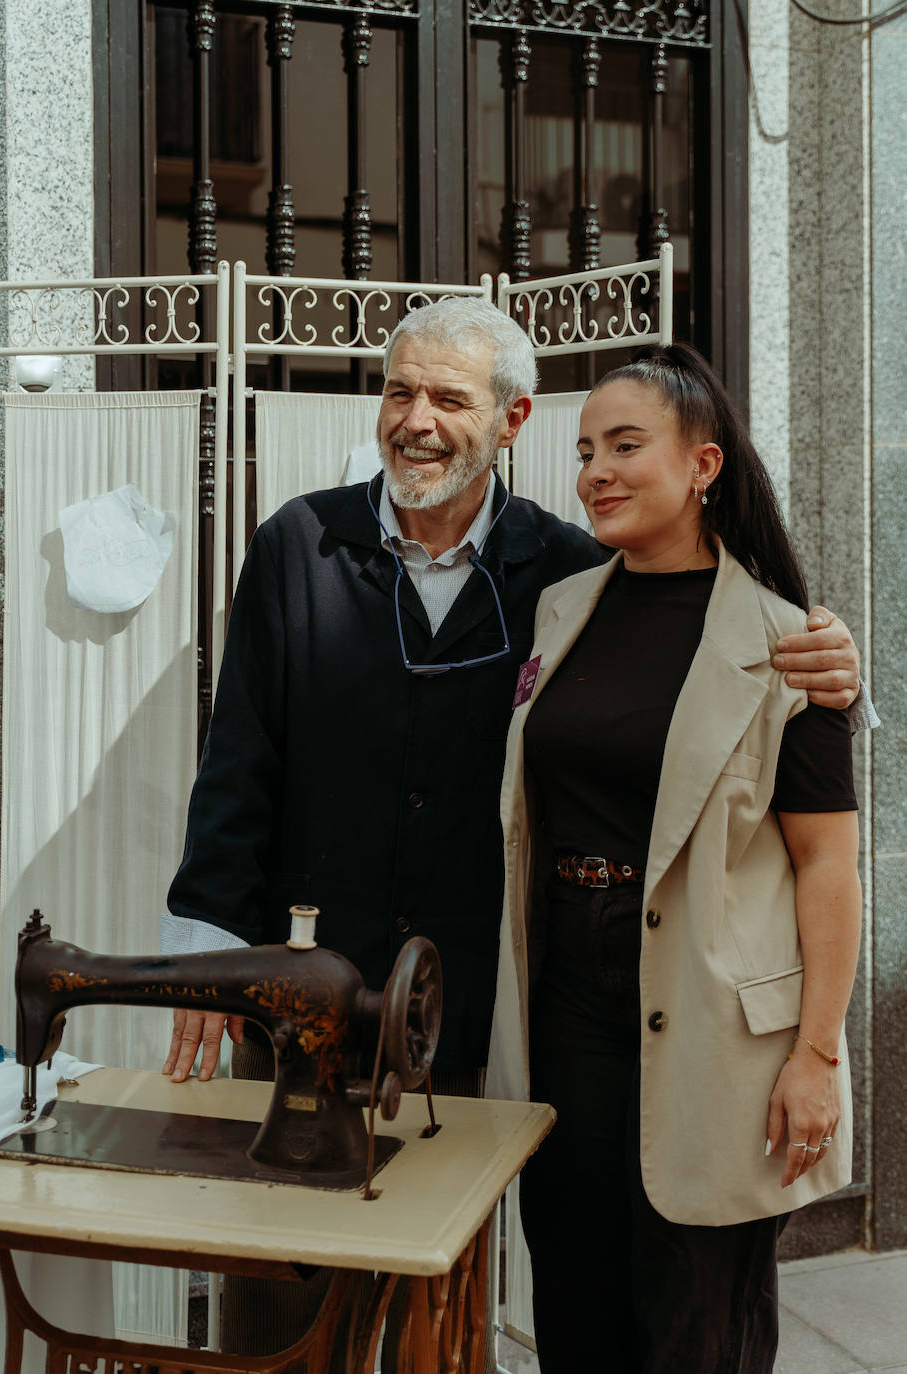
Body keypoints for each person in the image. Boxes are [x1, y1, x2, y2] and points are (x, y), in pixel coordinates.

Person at [160, 302, 863, 1358]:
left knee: (446, 1309)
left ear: (508, 419)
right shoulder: (299, 545)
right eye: (400, 391)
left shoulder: (570, 572)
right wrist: (211, 949)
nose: (417, 420)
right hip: (305, 988)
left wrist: (844, 682)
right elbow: (237, 759)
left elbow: (738, 683)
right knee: (279, 1292)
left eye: (449, 397)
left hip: (480, 1007)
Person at [486, 342, 864, 1374]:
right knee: (574, 1294)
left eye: (624, 445)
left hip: (712, 1016)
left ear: (702, 466)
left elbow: (828, 865)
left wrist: (817, 1056)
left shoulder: (789, 642)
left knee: (698, 1320)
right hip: (566, 996)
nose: (594, 471)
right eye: (583, 451)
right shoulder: (561, 611)